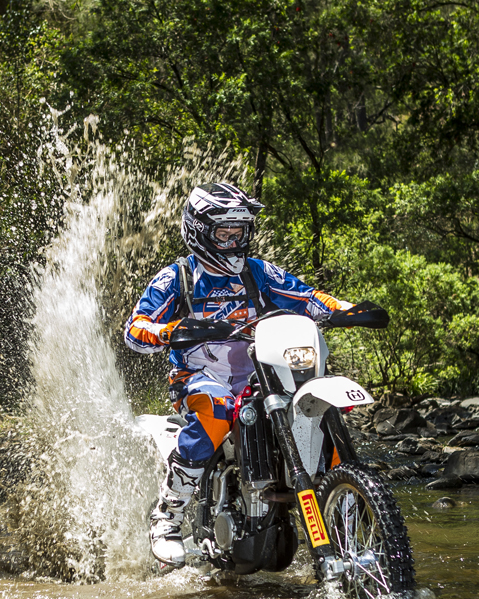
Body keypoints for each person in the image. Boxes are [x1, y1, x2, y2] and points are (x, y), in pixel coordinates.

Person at [123, 181, 354, 567]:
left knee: (316, 411)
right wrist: (170, 331)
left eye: (239, 233)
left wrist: (346, 310)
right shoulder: (177, 277)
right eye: (223, 233)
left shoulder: (258, 272)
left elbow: (307, 297)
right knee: (216, 411)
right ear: (199, 232)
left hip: (261, 373)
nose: (232, 242)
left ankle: (345, 512)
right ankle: (169, 516)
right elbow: (135, 329)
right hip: (197, 376)